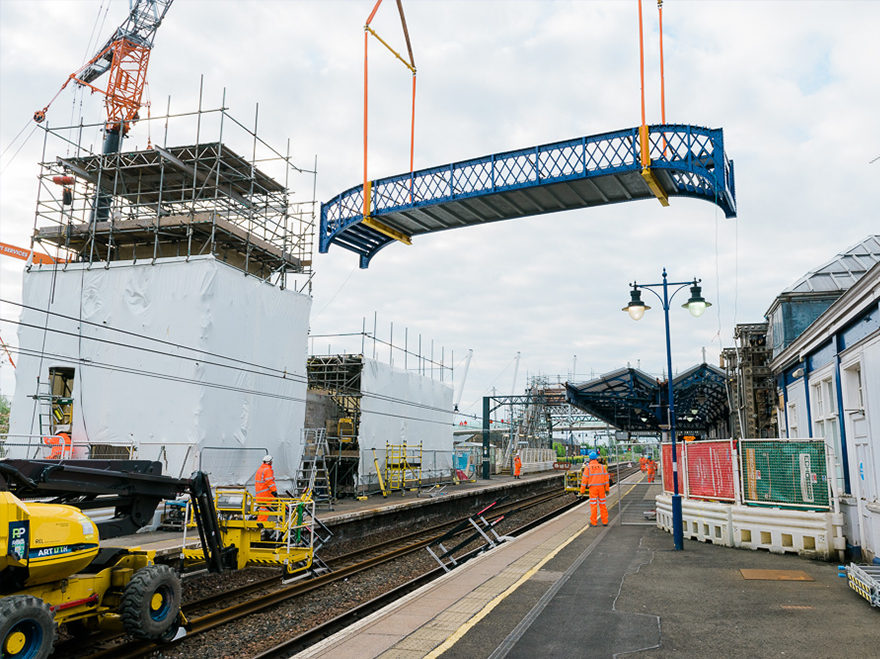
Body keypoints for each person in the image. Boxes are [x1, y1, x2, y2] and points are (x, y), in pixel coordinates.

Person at [579, 450, 610, 526]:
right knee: (603, 505)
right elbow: (606, 479)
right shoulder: (602, 467)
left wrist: (582, 491)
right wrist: (607, 489)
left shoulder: (588, 468)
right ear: (596, 459)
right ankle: (605, 521)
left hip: (593, 489)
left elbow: (584, 480)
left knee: (593, 505)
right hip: (601, 488)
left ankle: (594, 522)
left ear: (589, 459)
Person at [255, 454, 278, 522]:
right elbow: (269, 482)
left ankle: (260, 522)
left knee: (262, 509)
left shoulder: (260, 469)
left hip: (260, 494)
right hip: (265, 495)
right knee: (265, 509)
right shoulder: (267, 470)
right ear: (269, 462)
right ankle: (261, 523)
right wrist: (274, 491)